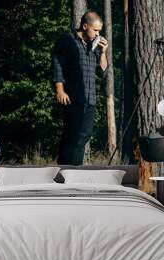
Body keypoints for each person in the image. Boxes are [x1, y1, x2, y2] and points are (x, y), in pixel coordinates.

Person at [53, 11, 108, 165]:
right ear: (85, 26)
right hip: (72, 96)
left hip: (90, 99)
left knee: (85, 135)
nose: (98, 34)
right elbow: (58, 64)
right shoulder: (68, 40)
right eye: (95, 30)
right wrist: (60, 90)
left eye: (100, 31)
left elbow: (103, 72)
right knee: (71, 135)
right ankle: (65, 169)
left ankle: (75, 169)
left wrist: (103, 52)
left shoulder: (95, 46)